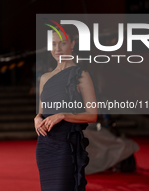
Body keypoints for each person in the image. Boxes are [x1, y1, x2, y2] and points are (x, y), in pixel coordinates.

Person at [34, 28, 97, 190]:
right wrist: (37, 118)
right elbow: (42, 110)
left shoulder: (81, 75)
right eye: (53, 44)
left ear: (72, 44)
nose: (57, 49)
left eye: (62, 43)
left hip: (65, 146)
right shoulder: (45, 78)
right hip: (45, 145)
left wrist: (62, 115)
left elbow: (92, 115)